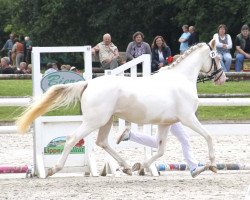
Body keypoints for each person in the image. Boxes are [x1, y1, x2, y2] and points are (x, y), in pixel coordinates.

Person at [116, 122, 208, 178]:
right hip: (169, 114)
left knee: (184, 138)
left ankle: (193, 167)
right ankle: (130, 135)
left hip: (173, 115)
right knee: (158, 143)